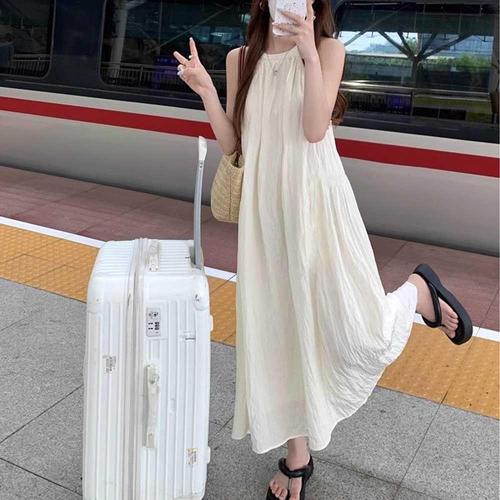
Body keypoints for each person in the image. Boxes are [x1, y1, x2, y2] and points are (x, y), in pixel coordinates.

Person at [173, 1, 472, 498]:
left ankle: (415, 293)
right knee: (278, 334)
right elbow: (236, 146)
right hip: (266, 215)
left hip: (317, 205)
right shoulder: (239, 59)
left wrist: (309, 54)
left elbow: (314, 129)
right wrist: (206, 91)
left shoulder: (329, 50)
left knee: (355, 328)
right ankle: (298, 456)